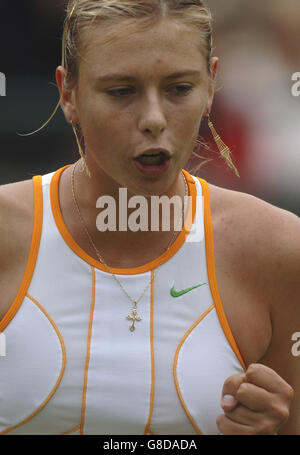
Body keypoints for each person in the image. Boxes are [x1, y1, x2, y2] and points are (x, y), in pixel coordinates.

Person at [0, 0, 299, 436]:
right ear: (68, 94)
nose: (154, 119)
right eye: (121, 91)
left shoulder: (278, 249)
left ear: (211, 84)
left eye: (179, 89)